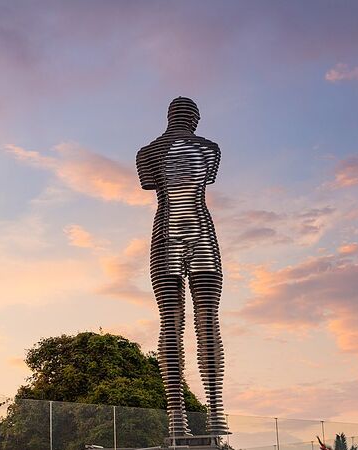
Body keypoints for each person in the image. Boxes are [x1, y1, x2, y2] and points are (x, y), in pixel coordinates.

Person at [136, 96, 228, 438]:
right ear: (193, 118)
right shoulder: (210, 149)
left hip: (165, 233)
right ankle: (215, 413)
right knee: (208, 317)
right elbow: (208, 181)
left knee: (170, 321)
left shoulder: (146, 153)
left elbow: (148, 183)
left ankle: (178, 418)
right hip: (201, 233)